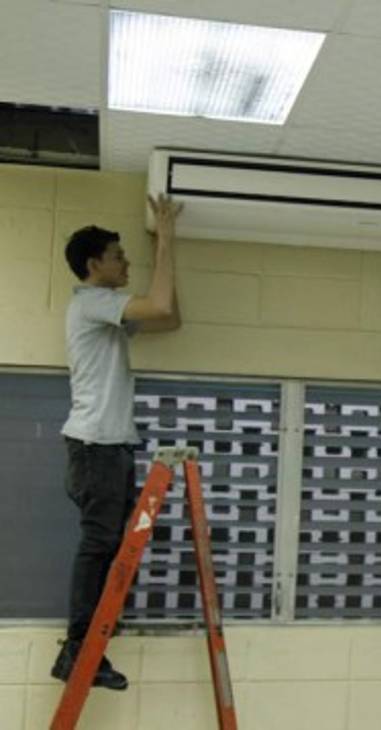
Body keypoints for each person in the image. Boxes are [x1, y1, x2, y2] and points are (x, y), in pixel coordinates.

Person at [51, 194, 183, 690]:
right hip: (96, 447)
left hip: (110, 447)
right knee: (101, 544)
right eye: (119, 256)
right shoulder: (91, 303)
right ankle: (78, 650)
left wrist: (170, 256)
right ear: (93, 265)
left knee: (112, 550)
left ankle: (86, 650)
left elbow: (170, 317)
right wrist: (166, 239)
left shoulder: (104, 312)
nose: (126, 262)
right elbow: (162, 305)